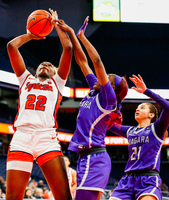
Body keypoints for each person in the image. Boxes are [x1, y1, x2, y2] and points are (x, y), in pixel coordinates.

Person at [57, 17, 128, 200]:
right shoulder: (94, 91)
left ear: (111, 88)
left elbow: (96, 60)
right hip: (86, 158)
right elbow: (82, 61)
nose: (102, 76)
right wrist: (73, 33)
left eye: (108, 77)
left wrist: (83, 37)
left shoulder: (108, 99)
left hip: (94, 159)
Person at [6, 8, 72, 200]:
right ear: (35, 71)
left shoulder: (57, 83)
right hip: (21, 137)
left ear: (55, 72)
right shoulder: (25, 79)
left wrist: (57, 26)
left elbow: (68, 49)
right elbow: (11, 46)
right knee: (12, 197)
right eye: (42, 64)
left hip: (46, 138)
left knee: (64, 196)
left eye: (50, 65)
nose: (45, 65)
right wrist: (30, 35)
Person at [108, 74, 169, 200]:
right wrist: (112, 101)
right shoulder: (130, 131)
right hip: (127, 180)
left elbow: (168, 108)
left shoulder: (156, 129)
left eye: (142, 108)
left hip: (148, 179)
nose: (137, 110)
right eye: (137, 108)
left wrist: (146, 91)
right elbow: (109, 124)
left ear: (151, 115)